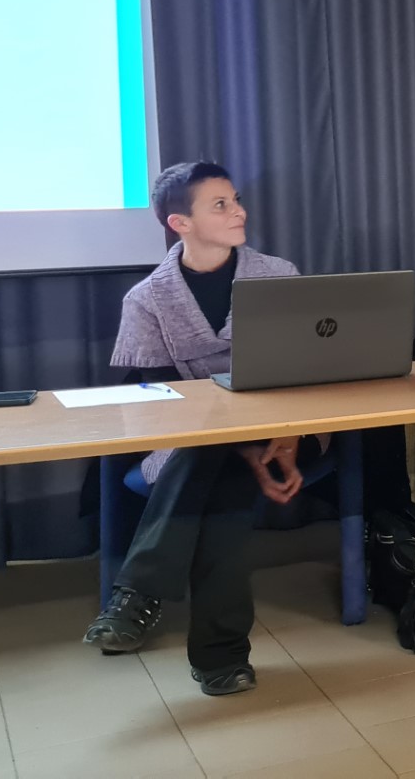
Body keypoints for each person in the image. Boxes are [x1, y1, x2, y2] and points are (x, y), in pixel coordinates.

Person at [83, 162, 304, 696]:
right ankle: (221, 658)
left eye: (236, 199)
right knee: (217, 468)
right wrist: (241, 449)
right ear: (180, 223)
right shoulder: (147, 299)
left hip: (285, 426)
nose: (239, 212)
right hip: (190, 438)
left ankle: (137, 594)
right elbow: (162, 402)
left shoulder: (278, 275)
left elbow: (305, 371)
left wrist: (286, 435)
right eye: (221, 205)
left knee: (213, 456)